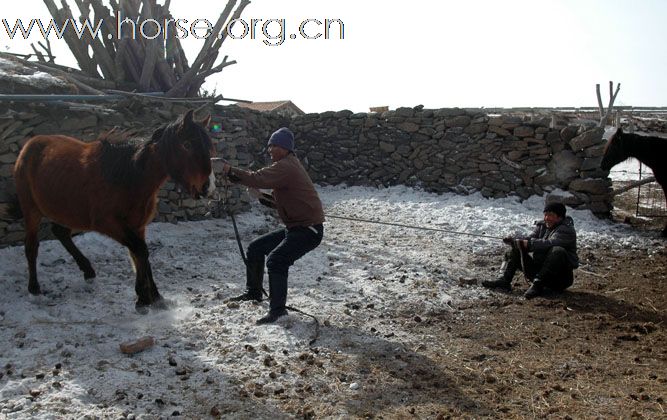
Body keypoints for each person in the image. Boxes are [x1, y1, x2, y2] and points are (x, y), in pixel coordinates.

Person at [221, 127, 325, 324]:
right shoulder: (286, 165)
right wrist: (261, 196)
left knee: (276, 261)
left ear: (285, 148)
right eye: (269, 145)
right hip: (297, 228)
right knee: (256, 248)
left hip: (308, 230)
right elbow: (278, 201)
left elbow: (258, 177)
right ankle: (253, 292)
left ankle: (278, 311)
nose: (269, 149)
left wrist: (229, 170)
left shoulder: (286, 166)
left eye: (273, 145)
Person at [482, 202, 579, 299]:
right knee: (516, 249)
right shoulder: (542, 226)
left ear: (560, 218)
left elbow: (550, 243)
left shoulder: (567, 230)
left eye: (551, 215)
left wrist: (529, 243)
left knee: (558, 250)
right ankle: (504, 280)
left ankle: (538, 285)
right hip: (539, 270)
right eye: (545, 215)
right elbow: (529, 238)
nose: (546, 218)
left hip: (560, 279)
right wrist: (515, 240)